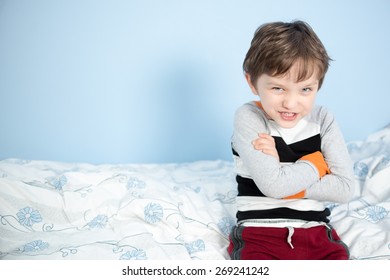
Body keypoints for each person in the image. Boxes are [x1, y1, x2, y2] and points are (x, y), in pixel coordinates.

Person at [228, 20, 354, 260]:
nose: (291, 103)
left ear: (318, 85)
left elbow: (345, 189)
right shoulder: (249, 118)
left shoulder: (323, 119)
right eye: (278, 88)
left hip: (316, 231)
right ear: (252, 82)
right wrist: (316, 164)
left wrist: (283, 175)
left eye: (305, 89)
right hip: (260, 233)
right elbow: (273, 187)